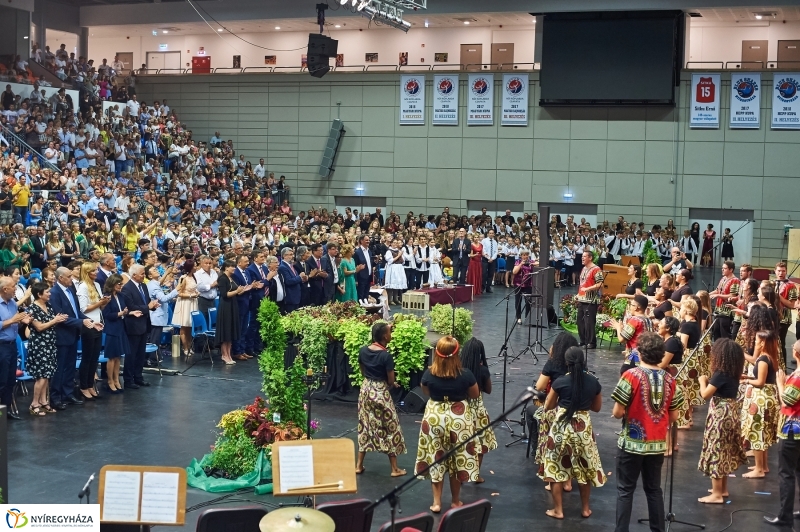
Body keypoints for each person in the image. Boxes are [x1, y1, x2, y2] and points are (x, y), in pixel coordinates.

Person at [612, 332, 684, 532]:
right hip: (657, 444)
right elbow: (674, 416)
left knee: (625, 491)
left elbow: (617, 412)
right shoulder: (670, 380)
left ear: (640, 353)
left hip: (631, 443)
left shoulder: (630, 376)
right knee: (654, 490)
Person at [415, 336, 480, 514]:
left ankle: (436, 503)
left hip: (435, 417)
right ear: (457, 353)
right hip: (459, 419)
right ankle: (455, 501)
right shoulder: (466, 374)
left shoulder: (429, 373)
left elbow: (426, 391)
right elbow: (475, 395)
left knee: (436, 457)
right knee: (457, 457)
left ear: (437, 353)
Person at [539, 346, 605, 520]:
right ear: (583, 361)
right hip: (582, 428)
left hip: (561, 426)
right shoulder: (593, 382)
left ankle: (558, 510)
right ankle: (585, 509)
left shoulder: (560, 382)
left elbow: (548, 406)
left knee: (555, 467)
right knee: (584, 469)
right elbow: (597, 408)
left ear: (566, 363)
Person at [696, 338, 747, 504]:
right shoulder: (733, 372)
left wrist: (702, 381)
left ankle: (717, 494)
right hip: (731, 411)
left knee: (716, 449)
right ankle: (722, 489)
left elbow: (705, 394)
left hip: (720, 413)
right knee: (724, 450)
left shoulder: (720, 374)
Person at [355, 322, 407, 477]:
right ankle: (394, 469)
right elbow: (390, 381)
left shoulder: (363, 350)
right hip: (379, 392)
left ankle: (358, 465)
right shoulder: (385, 356)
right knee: (390, 426)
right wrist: (390, 383)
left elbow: (363, 370)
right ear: (385, 336)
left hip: (365, 390)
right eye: (390, 332)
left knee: (365, 425)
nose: (391, 334)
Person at [50, 267, 100, 409]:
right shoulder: (55, 293)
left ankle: (68, 393)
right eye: (68, 277)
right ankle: (55, 397)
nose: (71, 279)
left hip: (73, 334)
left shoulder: (71, 290)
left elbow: (76, 312)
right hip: (62, 335)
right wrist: (81, 322)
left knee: (70, 367)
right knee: (60, 368)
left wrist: (89, 321)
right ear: (60, 278)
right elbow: (60, 317)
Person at [765, 340, 800, 528]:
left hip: (792, 431)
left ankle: (784, 515)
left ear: (795, 354)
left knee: (786, 473)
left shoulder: (797, 378)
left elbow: (786, 400)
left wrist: (780, 384)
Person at [741, 330, 780, 479]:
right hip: (767, 397)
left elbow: (760, 382)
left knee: (757, 432)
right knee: (762, 433)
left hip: (761, 399)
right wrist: (750, 377)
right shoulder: (770, 357)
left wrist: (746, 380)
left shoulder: (763, 359)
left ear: (763, 342)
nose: (755, 342)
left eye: (757, 340)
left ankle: (759, 468)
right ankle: (763, 465)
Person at [23, 282, 66, 416]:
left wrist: (57, 319)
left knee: (47, 375)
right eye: (47, 292)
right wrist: (55, 320)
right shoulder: (31, 309)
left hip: (50, 344)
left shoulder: (48, 306)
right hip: (39, 345)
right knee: (41, 376)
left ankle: (43, 401)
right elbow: (39, 327)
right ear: (39, 294)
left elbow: (51, 321)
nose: (49, 294)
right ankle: (34, 403)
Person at [459, 338, 497, 483]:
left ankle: (461, 474)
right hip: (478, 411)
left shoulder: (459, 370)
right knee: (480, 445)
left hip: (461, 410)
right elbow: (488, 390)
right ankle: (476, 475)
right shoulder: (482, 370)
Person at [120, 264, 158, 388]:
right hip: (133, 325)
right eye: (142, 274)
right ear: (134, 275)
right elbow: (131, 307)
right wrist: (148, 307)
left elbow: (146, 302)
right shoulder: (127, 288)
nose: (144, 276)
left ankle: (138, 377)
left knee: (141, 354)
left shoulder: (144, 286)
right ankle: (128, 379)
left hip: (144, 323)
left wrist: (152, 306)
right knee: (131, 354)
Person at [76, 262, 110, 400]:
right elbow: (84, 309)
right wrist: (99, 303)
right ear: (87, 272)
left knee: (95, 358)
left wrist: (105, 302)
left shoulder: (96, 285)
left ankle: (90, 384)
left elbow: (98, 308)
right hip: (89, 325)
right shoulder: (82, 287)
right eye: (94, 271)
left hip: (99, 322)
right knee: (87, 357)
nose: (96, 273)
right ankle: (83, 386)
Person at [216, 259, 253, 365]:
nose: (234, 268)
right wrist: (237, 291)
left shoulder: (231, 278)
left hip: (233, 305)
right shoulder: (222, 278)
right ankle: (224, 355)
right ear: (226, 267)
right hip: (226, 306)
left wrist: (242, 290)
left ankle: (229, 354)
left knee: (231, 332)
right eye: (232, 266)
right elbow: (224, 294)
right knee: (226, 331)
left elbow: (235, 292)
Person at [102, 274, 133, 393]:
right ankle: (110, 381)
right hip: (111, 329)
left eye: (121, 284)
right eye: (119, 284)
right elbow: (106, 315)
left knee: (118, 356)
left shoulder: (121, 296)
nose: (121, 286)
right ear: (113, 284)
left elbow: (125, 309)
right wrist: (120, 314)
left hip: (121, 328)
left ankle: (116, 379)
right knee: (112, 357)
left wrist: (127, 312)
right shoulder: (107, 297)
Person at [611, 294, 653, 373]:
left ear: (637, 307)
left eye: (632, 305)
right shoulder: (648, 320)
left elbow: (621, 339)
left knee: (626, 374)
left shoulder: (635, 320)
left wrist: (618, 327)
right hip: (646, 354)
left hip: (636, 355)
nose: (630, 307)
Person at [171, 260, 199, 357]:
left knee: (189, 327)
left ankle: (189, 346)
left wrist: (196, 293)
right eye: (195, 266)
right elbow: (179, 293)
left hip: (192, 303)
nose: (196, 267)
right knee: (184, 326)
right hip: (185, 303)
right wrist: (191, 296)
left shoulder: (194, 277)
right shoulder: (183, 278)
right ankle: (185, 347)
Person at [576, 251, 603, 349]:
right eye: (582, 256)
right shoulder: (583, 268)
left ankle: (591, 342)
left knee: (589, 322)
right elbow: (582, 283)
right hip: (582, 299)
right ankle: (583, 340)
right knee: (580, 321)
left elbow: (600, 284)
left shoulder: (596, 269)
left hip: (591, 300)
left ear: (590, 258)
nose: (582, 258)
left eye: (584, 256)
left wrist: (588, 289)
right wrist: (578, 294)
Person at [709, 260, 739, 341]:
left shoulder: (735, 280)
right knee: (716, 332)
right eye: (722, 268)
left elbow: (732, 295)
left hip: (726, 312)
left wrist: (718, 295)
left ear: (731, 270)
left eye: (725, 268)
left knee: (724, 333)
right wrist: (707, 295)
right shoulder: (723, 278)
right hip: (718, 310)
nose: (722, 270)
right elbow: (717, 290)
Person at [278, 247, 304, 314]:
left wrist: (302, 279)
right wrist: (300, 277)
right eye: (290, 254)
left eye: (292, 254)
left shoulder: (290, 266)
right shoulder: (282, 267)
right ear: (284, 256)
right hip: (290, 297)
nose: (292, 256)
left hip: (296, 296)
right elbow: (288, 281)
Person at [512, 248, 534, 324]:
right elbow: (514, 272)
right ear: (521, 255)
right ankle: (518, 318)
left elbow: (540, 263)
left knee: (528, 302)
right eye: (524, 255)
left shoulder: (531, 262)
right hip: (518, 284)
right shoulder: (517, 262)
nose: (525, 256)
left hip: (528, 284)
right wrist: (521, 264)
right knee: (518, 301)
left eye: (527, 255)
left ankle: (527, 317)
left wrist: (534, 264)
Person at [384, 239, 406, 306]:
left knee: (397, 284)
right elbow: (390, 261)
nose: (395, 244)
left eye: (396, 243)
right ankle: (390, 299)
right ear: (391, 243)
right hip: (392, 268)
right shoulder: (389, 251)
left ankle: (396, 299)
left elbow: (403, 261)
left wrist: (401, 256)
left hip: (399, 268)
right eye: (394, 243)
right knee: (392, 284)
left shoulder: (399, 251)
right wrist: (399, 256)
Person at [353, 234, 372, 301]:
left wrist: (375, 262)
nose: (368, 241)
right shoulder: (357, 252)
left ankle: (366, 307)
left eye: (369, 240)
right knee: (361, 294)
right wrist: (356, 279)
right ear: (361, 241)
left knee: (366, 293)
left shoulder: (369, 251)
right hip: (361, 276)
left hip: (369, 275)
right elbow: (354, 265)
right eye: (366, 240)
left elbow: (370, 263)